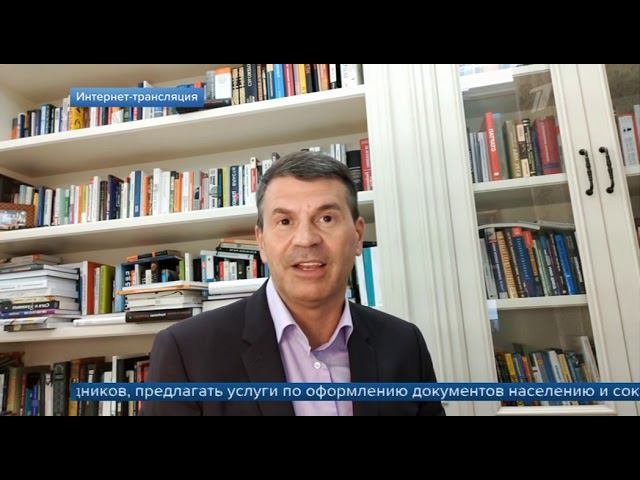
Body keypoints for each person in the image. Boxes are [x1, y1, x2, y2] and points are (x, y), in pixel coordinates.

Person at [142, 151, 444, 416]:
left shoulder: (405, 344)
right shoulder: (186, 351)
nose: (306, 239)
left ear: (357, 235)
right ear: (261, 240)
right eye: (285, 222)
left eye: (326, 219)